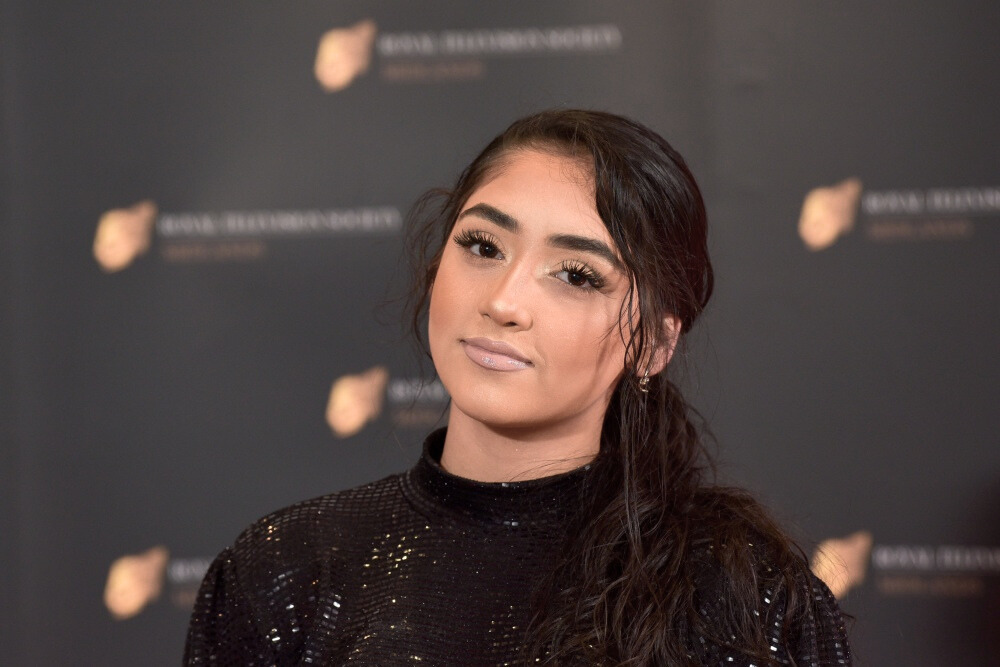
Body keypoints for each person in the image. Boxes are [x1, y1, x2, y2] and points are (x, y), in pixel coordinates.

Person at [184, 110, 852, 666]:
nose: (504, 301)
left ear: (652, 343)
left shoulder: (744, 595)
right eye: (483, 246)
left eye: (576, 275)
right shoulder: (285, 568)